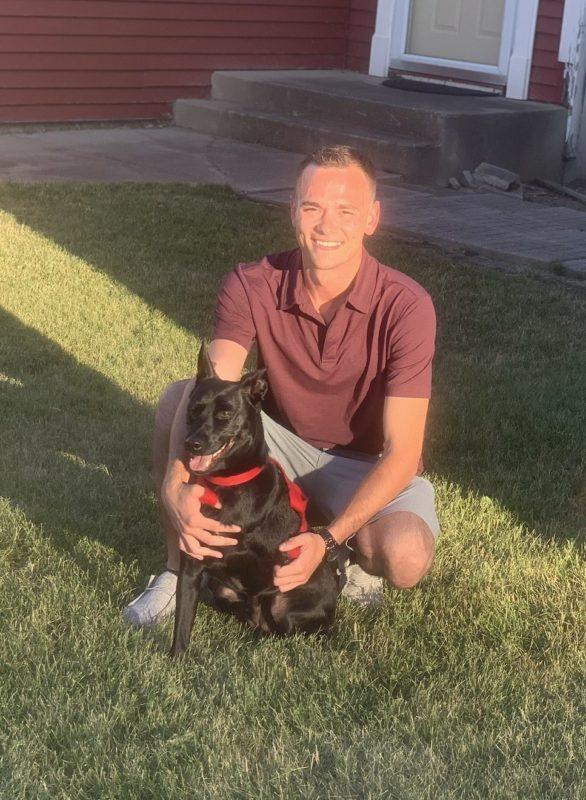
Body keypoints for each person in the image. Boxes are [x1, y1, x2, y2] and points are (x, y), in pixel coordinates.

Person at [123, 145, 440, 627]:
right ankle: (174, 570)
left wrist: (328, 540)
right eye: (312, 207)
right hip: (278, 449)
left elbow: (401, 453)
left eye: (346, 211)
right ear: (292, 210)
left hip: (365, 462)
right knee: (178, 397)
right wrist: (175, 483)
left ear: (372, 218)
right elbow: (216, 383)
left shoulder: (407, 306)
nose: (326, 226)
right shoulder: (253, 283)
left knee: (406, 555)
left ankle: (346, 559)